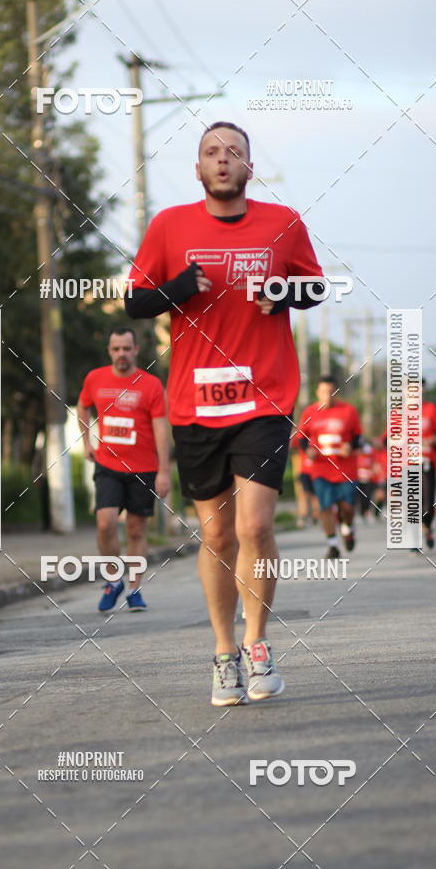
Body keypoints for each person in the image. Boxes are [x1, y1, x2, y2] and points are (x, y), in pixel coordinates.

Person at [125, 121, 325, 706]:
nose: (222, 160)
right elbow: (135, 302)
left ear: (249, 167)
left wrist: (283, 293)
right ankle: (222, 653)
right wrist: (178, 287)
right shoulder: (169, 226)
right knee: (215, 534)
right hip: (195, 401)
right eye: (211, 152)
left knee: (254, 527)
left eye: (234, 152)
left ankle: (258, 644)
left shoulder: (282, 223)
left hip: (264, 396)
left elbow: (316, 287)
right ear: (197, 168)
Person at [77, 328, 170, 611]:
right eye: (116, 349)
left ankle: (133, 590)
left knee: (136, 530)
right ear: (109, 351)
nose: (121, 354)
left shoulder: (151, 384)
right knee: (105, 525)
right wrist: (86, 442)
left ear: (136, 350)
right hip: (108, 463)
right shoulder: (95, 378)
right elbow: (83, 408)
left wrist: (164, 470)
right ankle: (113, 580)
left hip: (143, 468)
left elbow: (161, 428)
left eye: (126, 349)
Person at [298, 376, 362, 558]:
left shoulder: (349, 411)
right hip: (321, 468)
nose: (328, 396)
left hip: (346, 468)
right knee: (324, 507)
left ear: (336, 393)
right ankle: (333, 545)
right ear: (318, 393)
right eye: (324, 392)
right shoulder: (310, 412)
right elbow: (302, 437)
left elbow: (358, 437)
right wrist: (307, 451)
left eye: (331, 392)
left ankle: (348, 527)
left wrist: (351, 446)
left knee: (347, 507)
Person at [420, 379, 436, 549]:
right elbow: (387, 439)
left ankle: (427, 526)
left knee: (428, 503)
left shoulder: (430, 409)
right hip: (407, 464)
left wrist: (434, 440)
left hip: (427, 462)